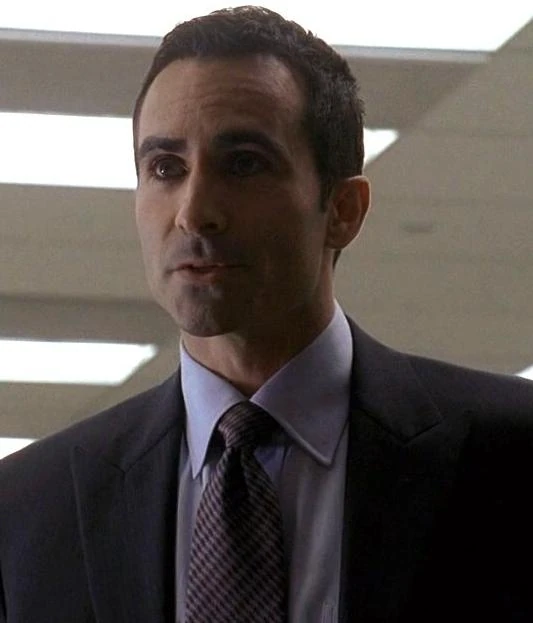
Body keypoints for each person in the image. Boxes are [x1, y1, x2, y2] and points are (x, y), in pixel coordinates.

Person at [1, 5, 532, 623]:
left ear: (344, 210)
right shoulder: (29, 509)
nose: (193, 212)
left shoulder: (510, 459)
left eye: (244, 163)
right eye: (166, 168)